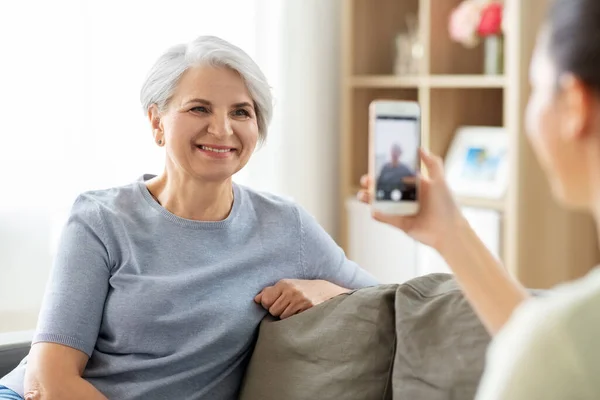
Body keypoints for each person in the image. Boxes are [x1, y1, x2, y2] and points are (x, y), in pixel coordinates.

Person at [0, 36, 377, 400]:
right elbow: (49, 380)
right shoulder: (100, 219)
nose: (222, 129)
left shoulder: (285, 225)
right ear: (157, 122)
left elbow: (387, 300)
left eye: (241, 112)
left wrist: (330, 291)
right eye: (199, 108)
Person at [359, 0, 600, 398]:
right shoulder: (564, 343)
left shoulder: (561, 347)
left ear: (574, 105)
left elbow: (553, 356)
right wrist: (448, 232)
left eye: (536, 86)